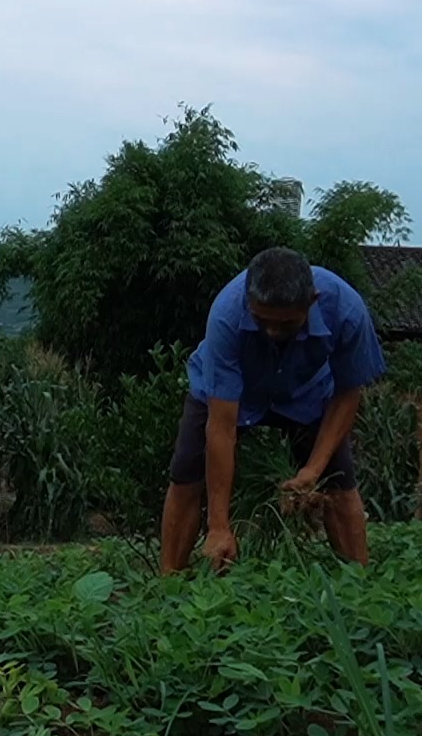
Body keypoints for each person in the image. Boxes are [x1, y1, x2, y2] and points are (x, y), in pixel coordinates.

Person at [160, 246, 386, 573]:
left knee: (340, 481)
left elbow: (348, 393)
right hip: (232, 392)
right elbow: (221, 429)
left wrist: (313, 469)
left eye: (286, 323)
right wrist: (219, 526)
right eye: (261, 320)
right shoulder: (226, 313)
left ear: (312, 301)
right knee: (186, 471)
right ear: (248, 302)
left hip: (306, 391)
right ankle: (169, 582)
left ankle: (359, 585)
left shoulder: (347, 310)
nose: (272, 332)